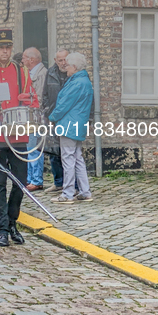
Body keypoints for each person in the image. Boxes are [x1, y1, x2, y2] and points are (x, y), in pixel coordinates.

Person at [0, 29, 38, 248]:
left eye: (8, 47)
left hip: (18, 134)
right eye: (1, 47)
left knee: (19, 183)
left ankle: (13, 221)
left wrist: (28, 101)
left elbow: (32, 99)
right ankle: (2, 228)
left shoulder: (21, 71)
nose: (5, 51)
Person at [49, 52, 94, 203]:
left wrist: (52, 117)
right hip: (78, 124)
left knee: (68, 159)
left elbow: (63, 105)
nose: (65, 67)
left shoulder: (76, 83)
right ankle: (85, 191)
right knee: (77, 158)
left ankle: (67, 193)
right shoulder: (84, 81)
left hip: (69, 125)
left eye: (68, 65)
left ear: (74, 67)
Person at [42, 50, 69, 193]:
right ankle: (58, 182)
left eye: (65, 60)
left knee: (68, 152)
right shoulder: (50, 72)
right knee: (54, 152)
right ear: (55, 60)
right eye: (60, 60)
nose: (63, 63)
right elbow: (45, 93)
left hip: (68, 118)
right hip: (53, 117)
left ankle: (71, 184)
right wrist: (47, 110)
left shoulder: (72, 73)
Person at [21, 47, 48, 192]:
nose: (23, 60)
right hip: (29, 117)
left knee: (34, 148)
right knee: (29, 147)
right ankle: (31, 178)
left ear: (32, 59)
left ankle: (36, 180)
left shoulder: (42, 74)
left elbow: (39, 96)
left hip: (36, 117)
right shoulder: (30, 73)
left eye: (25, 57)